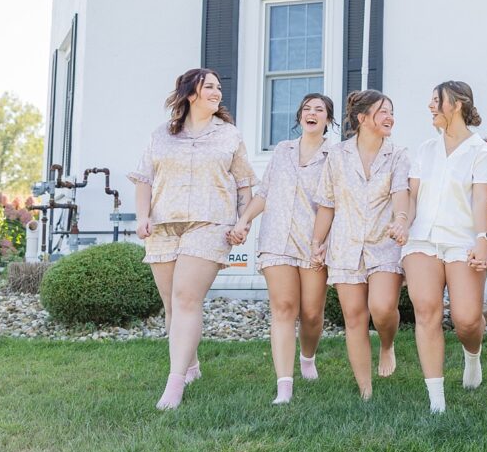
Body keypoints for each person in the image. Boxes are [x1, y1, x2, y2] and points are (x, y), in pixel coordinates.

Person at [128, 68, 257, 410]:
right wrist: (143, 217)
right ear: (190, 94)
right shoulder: (161, 136)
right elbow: (144, 179)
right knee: (172, 303)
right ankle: (192, 365)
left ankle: (174, 385)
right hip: (164, 224)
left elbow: (244, 183)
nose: (217, 92)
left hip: (211, 222)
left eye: (219, 87)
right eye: (209, 87)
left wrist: (242, 222)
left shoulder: (229, 135)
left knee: (186, 298)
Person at [228, 94, 335, 405]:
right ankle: (284, 387)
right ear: (299, 116)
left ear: (328, 119)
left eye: (320, 110)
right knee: (284, 309)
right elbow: (265, 193)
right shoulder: (282, 151)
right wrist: (244, 220)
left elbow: (339, 202)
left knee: (312, 313)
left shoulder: (336, 154)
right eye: (306, 109)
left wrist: (327, 240)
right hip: (276, 240)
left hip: (313, 243)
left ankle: (308, 357)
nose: (312, 113)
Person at [310, 89, 410, 400]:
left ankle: (387, 343)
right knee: (354, 317)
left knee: (382, 309)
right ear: (362, 118)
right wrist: (317, 242)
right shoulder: (337, 156)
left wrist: (401, 219)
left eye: (391, 110)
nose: (389, 117)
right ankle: (365, 390)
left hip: (384, 243)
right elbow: (328, 204)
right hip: (345, 246)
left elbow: (401, 196)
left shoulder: (398, 155)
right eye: (382, 111)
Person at [402, 81, 487, 414]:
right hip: (421, 240)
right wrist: (402, 221)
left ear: (456, 104)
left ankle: (473, 355)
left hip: (462, 240)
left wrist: (482, 239)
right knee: (426, 312)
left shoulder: (482, 152)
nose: (430, 106)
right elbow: (412, 197)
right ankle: (436, 400)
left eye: (435, 101)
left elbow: (482, 199)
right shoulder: (425, 149)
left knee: (466, 319)